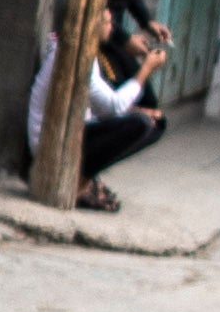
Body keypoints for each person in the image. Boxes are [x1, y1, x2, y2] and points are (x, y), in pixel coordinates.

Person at [27, 16, 171, 208]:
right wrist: (146, 69)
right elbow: (112, 107)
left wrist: (137, 110)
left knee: (155, 124)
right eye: (108, 23)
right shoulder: (75, 55)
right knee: (140, 124)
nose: (112, 27)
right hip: (54, 143)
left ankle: (87, 178)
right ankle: (80, 182)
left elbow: (101, 108)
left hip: (74, 131)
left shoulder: (88, 54)